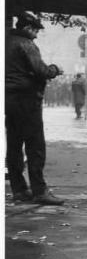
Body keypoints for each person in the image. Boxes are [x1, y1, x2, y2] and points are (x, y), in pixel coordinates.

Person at [5, 12, 65, 205]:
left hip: (9, 100)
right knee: (35, 146)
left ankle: (19, 190)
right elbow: (42, 71)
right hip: (27, 101)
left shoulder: (5, 41)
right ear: (28, 28)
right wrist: (55, 69)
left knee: (14, 145)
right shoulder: (26, 44)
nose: (36, 35)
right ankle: (40, 190)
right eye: (35, 31)